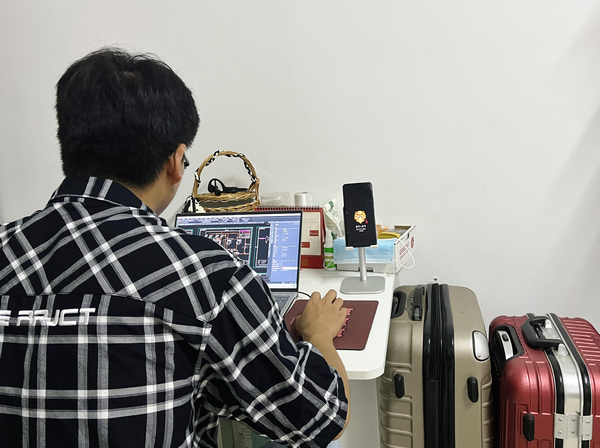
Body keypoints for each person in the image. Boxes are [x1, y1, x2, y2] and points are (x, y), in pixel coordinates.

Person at [0, 48, 349, 447]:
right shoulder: (208, 276)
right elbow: (322, 418)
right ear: (176, 161)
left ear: (68, 146)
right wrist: (318, 333)